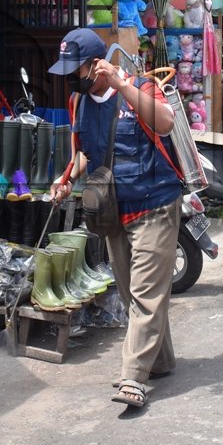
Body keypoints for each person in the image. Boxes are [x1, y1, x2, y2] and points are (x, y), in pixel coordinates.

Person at [47, 28, 181, 407]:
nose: (72, 78)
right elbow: (87, 154)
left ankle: (133, 378)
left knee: (145, 295)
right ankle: (162, 361)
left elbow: (166, 123)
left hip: (154, 204)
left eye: (78, 69)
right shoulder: (80, 103)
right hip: (111, 211)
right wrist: (66, 179)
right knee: (131, 294)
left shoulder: (138, 88)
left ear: (97, 64)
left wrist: (123, 87)